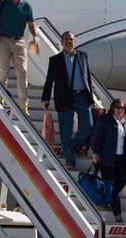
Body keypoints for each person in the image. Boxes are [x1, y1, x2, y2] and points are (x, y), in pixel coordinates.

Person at [41, 31, 95, 170]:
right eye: (66, 39)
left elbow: (87, 77)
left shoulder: (83, 56)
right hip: (64, 98)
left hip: (82, 96)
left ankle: (69, 146)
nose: (68, 41)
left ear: (74, 41)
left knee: (88, 126)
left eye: (71, 39)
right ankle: (70, 161)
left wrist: (91, 97)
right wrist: (46, 97)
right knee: (66, 131)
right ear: (61, 42)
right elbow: (49, 80)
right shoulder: (55, 60)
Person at [0, 0, 38, 115]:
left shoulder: (26, 6)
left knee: (22, 72)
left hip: (19, 41)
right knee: (3, 70)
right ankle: (0, 97)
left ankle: (23, 105)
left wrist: (35, 36)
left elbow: (31, 23)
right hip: (3, 39)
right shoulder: (3, 3)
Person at [91, 98, 126, 222]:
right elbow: (97, 137)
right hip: (107, 158)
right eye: (117, 107)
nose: (120, 110)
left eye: (122, 108)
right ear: (112, 108)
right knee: (111, 186)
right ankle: (117, 215)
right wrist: (95, 152)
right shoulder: (105, 121)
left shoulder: (123, 123)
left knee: (122, 180)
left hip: (120, 159)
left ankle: (107, 198)